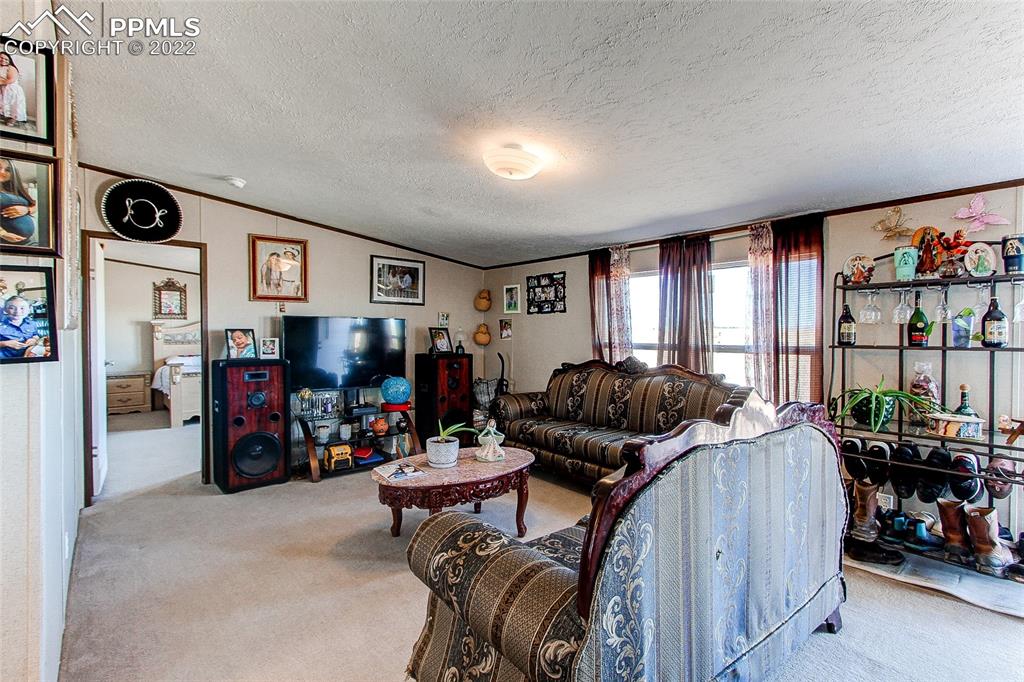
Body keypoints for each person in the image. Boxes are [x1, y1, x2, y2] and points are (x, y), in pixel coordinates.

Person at [0, 157, 37, 244]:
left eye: (7, 170)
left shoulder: (13, 190)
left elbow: (34, 204)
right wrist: (3, 233)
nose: (2, 172)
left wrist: (27, 210)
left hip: (28, 242)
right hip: (6, 242)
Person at [0, 53, 27, 127]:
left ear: (9, 60)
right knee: (4, 103)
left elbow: (11, 79)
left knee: (13, 104)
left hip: (12, 89)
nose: (3, 60)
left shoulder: (11, 68)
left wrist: (1, 82)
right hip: (3, 88)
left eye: (6, 59)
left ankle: (13, 119)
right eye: (1, 58)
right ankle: (5, 116)